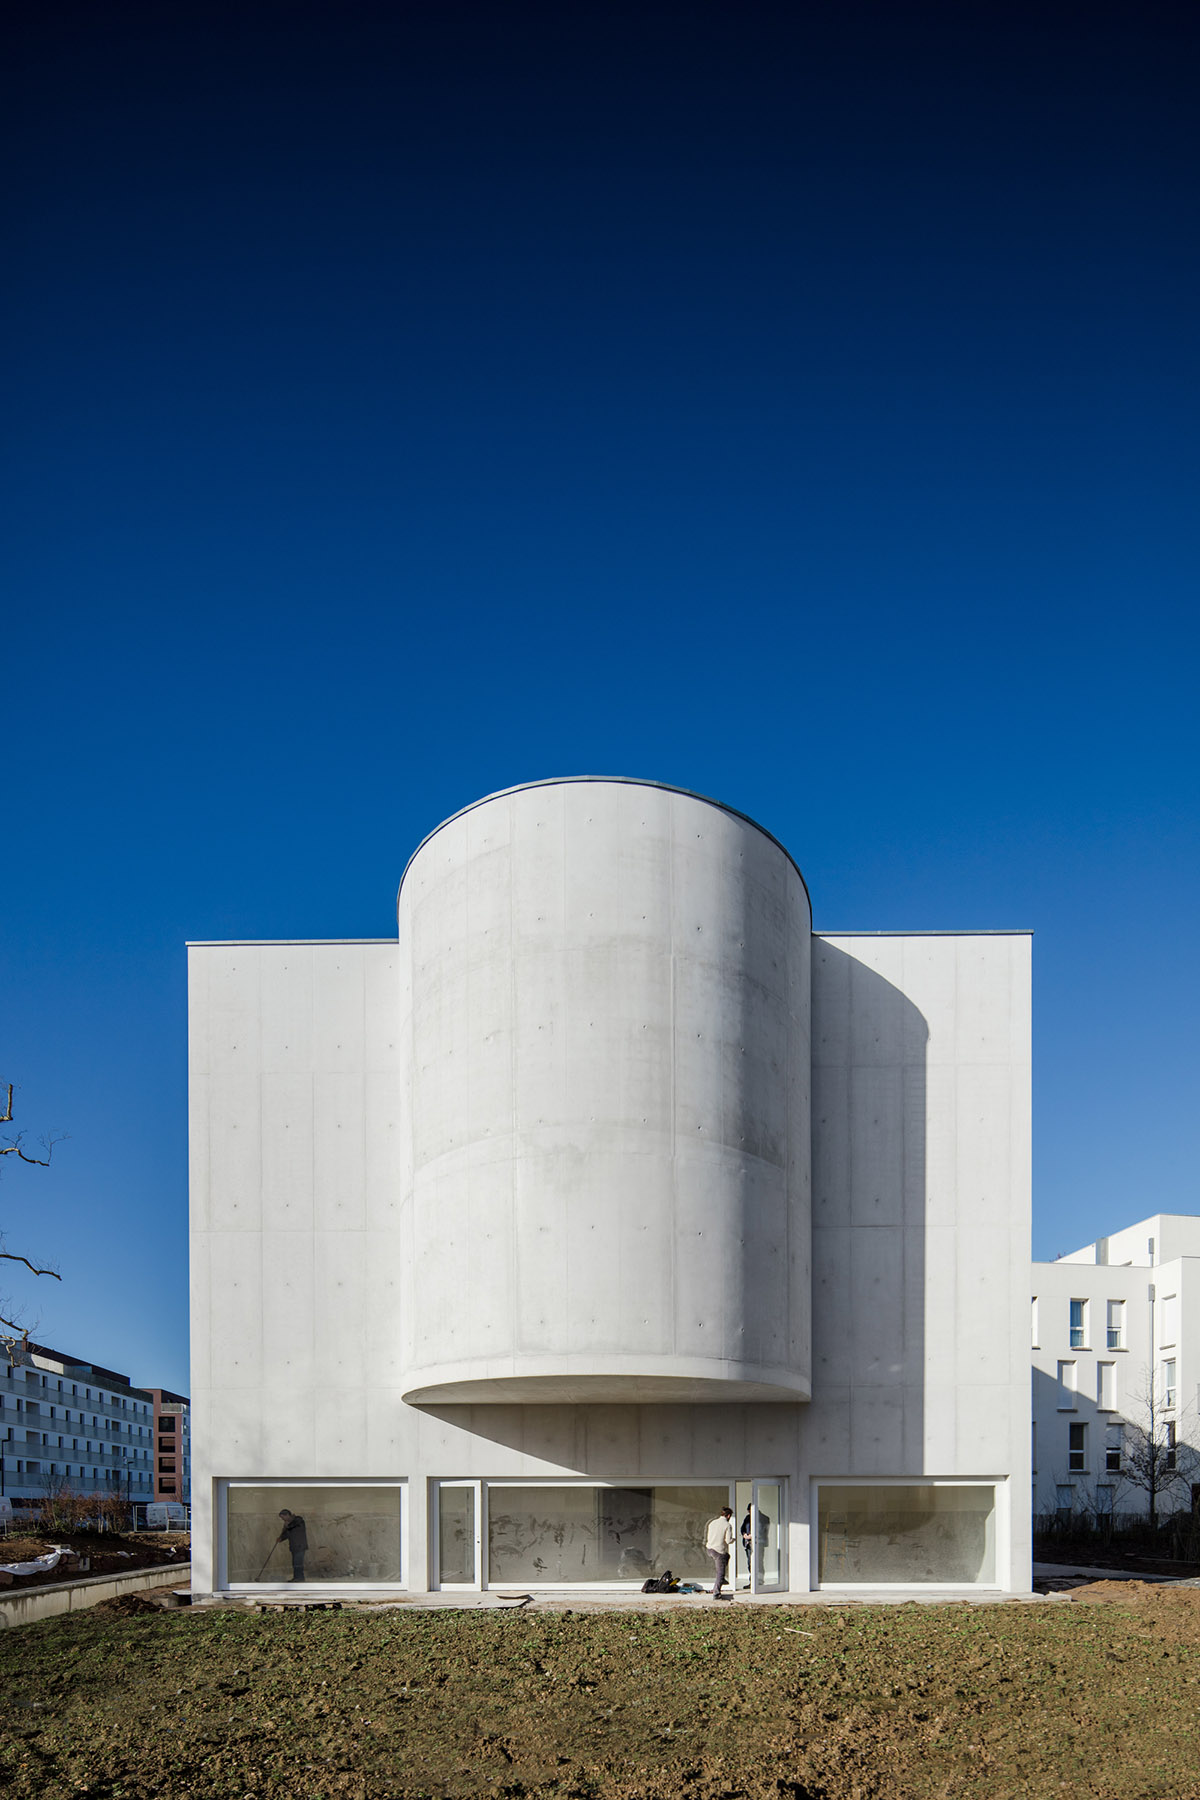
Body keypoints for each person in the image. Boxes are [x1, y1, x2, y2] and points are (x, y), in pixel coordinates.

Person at [705, 1505, 735, 1598]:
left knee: (727, 1556)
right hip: (718, 1551)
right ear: (728, 1516)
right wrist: (734, 1539)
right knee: (720, 1573)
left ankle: (722, 1579)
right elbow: (728, 1541)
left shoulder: (712, 1522)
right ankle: (716, 1593)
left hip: (709, 1549)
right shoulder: (727, 1525)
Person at [277, 1508, 308, 1582]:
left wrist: (287, 1525)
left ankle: (300, 1578)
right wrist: (281, 1538)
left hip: (300, 1546)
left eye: (283, 1517)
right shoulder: (289, 1524)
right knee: (295, 1563)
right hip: (294, 1546)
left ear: (287, 1515)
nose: (283, 1520)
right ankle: (297, 1577)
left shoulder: (298, 1520)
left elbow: (292, 1526)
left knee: (298, 1563)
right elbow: (288, 1533)